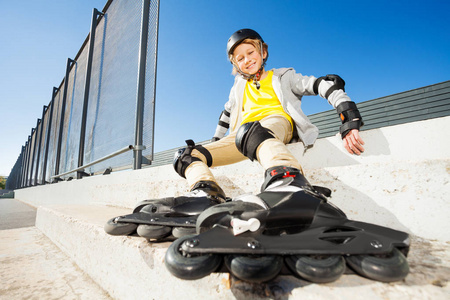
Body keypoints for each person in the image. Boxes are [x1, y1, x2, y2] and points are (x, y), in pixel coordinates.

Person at [173, 28, 365, 201]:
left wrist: (348, 116)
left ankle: (290, 180)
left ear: (263, 52)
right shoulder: (237, 87)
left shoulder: (282, 76)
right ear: (235, 64)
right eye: (240, 58)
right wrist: (215, 141)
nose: (246, 60)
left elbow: (323, 84)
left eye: (250, 53)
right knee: (186, 155)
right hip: (242, 136)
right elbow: (226, 114)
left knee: (254, 131)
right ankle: (207, 194)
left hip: (276, 125)